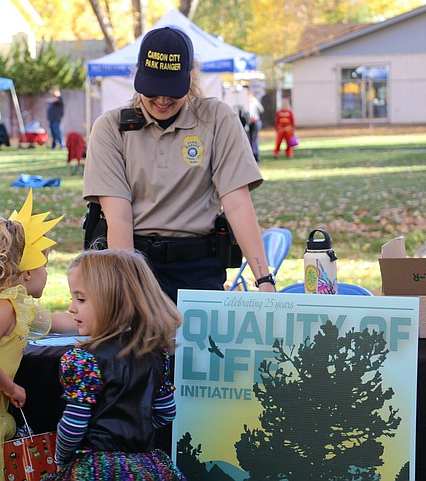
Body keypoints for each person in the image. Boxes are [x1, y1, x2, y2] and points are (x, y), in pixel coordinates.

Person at [83, 27, 277, 302]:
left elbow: (237, 204)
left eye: (172, 91)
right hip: (135, 262)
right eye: (153, 90)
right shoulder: (111, 128)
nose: (162, 100)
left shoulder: (217, 119)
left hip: (198, 267)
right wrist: (129, 292)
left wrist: (264, 279)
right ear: (138, 75)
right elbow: (119, 217)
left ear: (190, 76)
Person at [0, 189, 75, 481]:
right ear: (29, 272)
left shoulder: (20, 305)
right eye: (45, 265)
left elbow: (62, 321)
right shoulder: (4, 306)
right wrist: (11, 388)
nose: (47, 273)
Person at [50, 249, 185, 480]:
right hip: (144, 465)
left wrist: (61, 460)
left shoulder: (83, 359)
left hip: (96, 467)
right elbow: (166, 411)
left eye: (80, 299)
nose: (72, 308)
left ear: (112, 301)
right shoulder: (157, 354)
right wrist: (136, 427)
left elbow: (73, 426)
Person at [247, 89, 264, 162]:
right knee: (250, 139)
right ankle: (252, 154)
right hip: (249, 122)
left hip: (255, 121)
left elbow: (261, 109)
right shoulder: (246, 101)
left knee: (254, 139)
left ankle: (256, 154)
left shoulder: (254, 101)